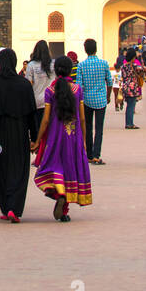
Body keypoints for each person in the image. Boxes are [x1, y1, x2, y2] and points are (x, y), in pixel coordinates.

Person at [0, 48, 38, 223]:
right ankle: (15, 207)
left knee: (2, 170)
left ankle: (6, 208)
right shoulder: (24, 85)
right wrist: (34, 138)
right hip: (19, 133)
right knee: (19, 170)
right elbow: (31, 113)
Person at [34, 55, 93, 221]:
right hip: (73, 137)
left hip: (55, 138)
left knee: (55, 167)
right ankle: (64, 207)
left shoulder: (50, 91)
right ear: (70, 70)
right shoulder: (77, 90)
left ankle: (59, 193)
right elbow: (82, 118)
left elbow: (45, 119)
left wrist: (38, 140)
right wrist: (84, 140)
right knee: (69, 168)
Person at [76, 38, 112, 165]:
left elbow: (79, 86)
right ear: (96, 49)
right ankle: (97, 155)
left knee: (88, 127)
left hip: (86, 100)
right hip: (101, 100)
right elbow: (110, 82)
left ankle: (89, 155)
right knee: (99, 128)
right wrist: (108, 97)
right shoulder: (104, 63)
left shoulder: (81, 65)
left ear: (85, 50)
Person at [22, 40, 54, 140]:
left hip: (37, 102)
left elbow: (27, 84)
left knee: (39, 131)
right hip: (52, 102)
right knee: (50, 132)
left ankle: (39, 150)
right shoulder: (53, 64)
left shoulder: (31, 65)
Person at [121, 47, 146, 129]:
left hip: (125, 86)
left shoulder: (123, 66)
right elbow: (142, 71)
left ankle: (128, 122)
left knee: (128, 106)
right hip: (132, 87)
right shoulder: (135, 66)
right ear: (133, 57)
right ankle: (129, 123)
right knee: (131, 106)